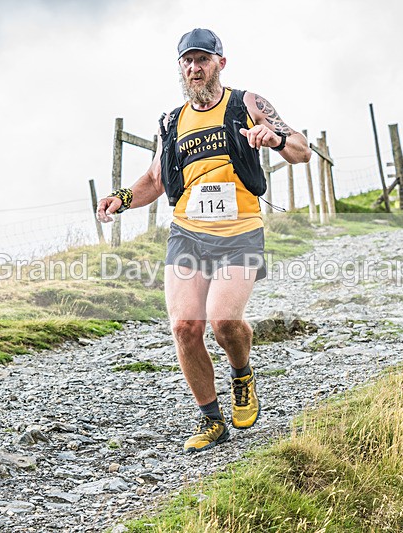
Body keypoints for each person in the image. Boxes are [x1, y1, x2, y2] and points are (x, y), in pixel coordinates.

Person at [96, 28, 311, 453]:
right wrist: (121, 197)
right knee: (184, 327)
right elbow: (156, 180)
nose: (195, 68)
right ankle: (212, 419)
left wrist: (276, 138)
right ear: (181, 67)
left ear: (220, 63)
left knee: (224, 321)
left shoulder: (247, 103)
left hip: (240, 233)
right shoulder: (172, 121)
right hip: (188, 235)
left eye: (203, 60)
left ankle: (242, 374)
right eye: (187, 61)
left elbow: (302, 150)